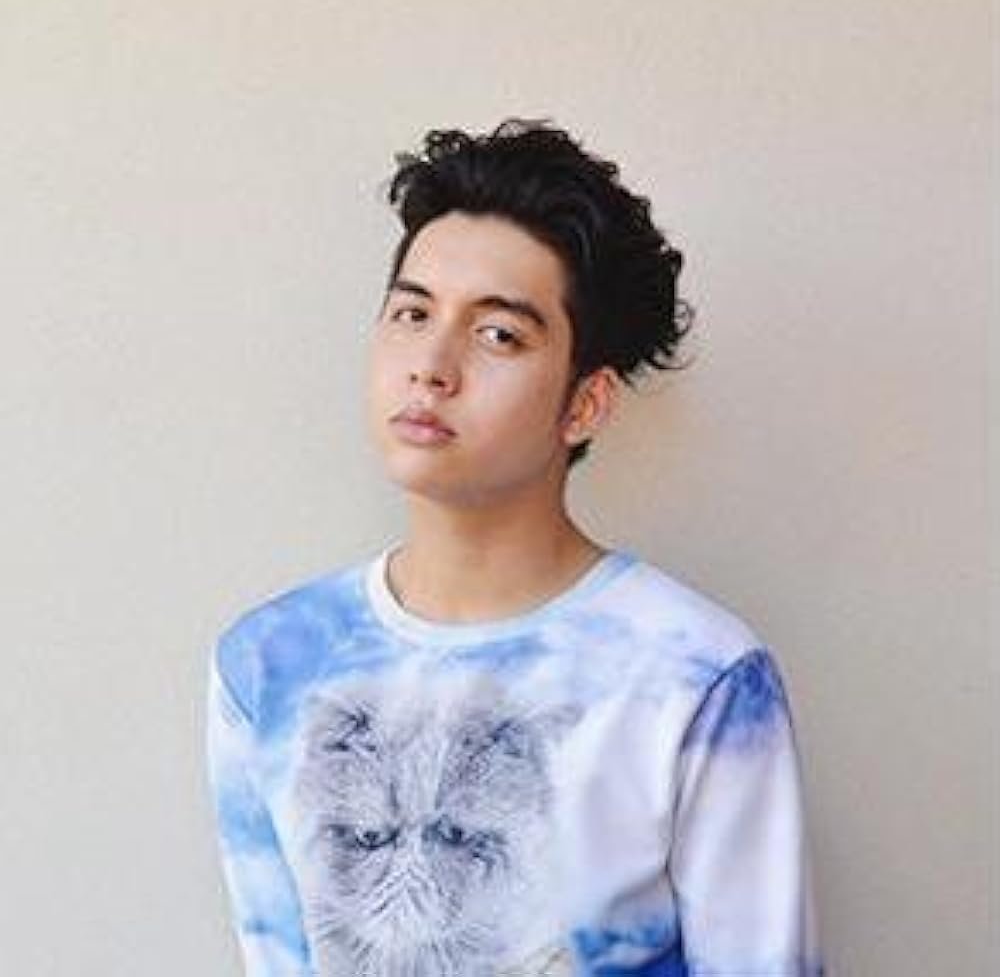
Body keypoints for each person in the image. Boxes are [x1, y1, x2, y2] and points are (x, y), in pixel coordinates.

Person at [205, 117, 825, 977]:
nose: (432, 365)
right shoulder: (267, 665)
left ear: (585, 404)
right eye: (412, 313)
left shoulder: (695, 675)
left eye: (498, 333)